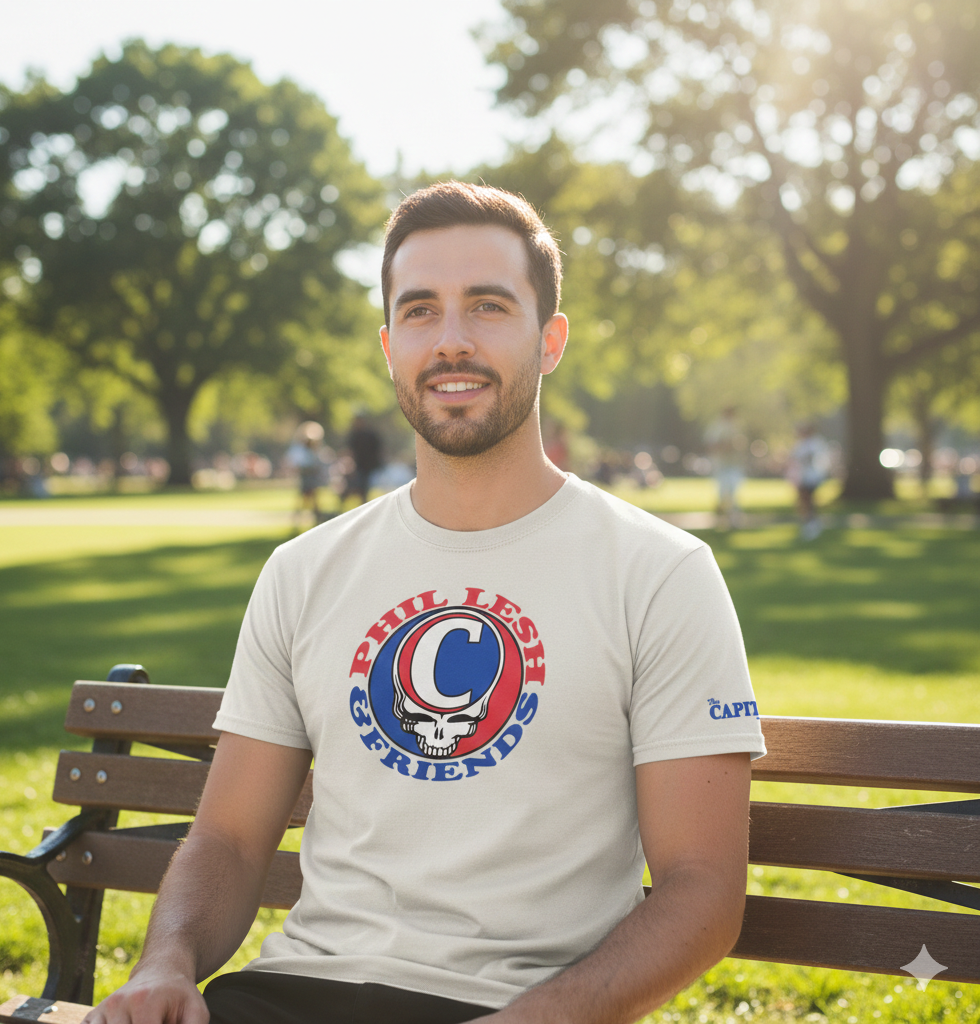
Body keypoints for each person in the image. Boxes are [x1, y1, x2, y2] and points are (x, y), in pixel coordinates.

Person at [85, 182, 765, 1024]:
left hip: (510, 1009)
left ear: (549, 340)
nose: (450, 342)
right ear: (388, 344)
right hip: (286, 997)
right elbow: (226, 839)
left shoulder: (660, 573)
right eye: (420, 311)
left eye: (486, 307)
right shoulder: (305, 571)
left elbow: (703, 892)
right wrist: (166, 963)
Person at [704, 407, 746, 528]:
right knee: (722, 493)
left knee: (733, 492)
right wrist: (725, 446)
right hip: (722, 465)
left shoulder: (736, 426)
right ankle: (721, 519)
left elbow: (741, 444)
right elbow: (711, 444)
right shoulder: (717, 427)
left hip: (734, 464)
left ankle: (733, 519)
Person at [788, 423, 830, 540]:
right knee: (803, 500)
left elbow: (817, 459)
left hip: (812, 476)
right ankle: (808, 521)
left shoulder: (815, 444)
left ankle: (812, 522)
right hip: (803, 476)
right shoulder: (801, 444)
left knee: (808, 499)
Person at [344, 413, 383, 505]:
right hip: (358, 465)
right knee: (359, 485)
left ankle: (363, 501)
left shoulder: (371, 435)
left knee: (364, 485)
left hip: (368, 465)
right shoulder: (354, 435)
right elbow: (350, 450)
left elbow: (378, 449)